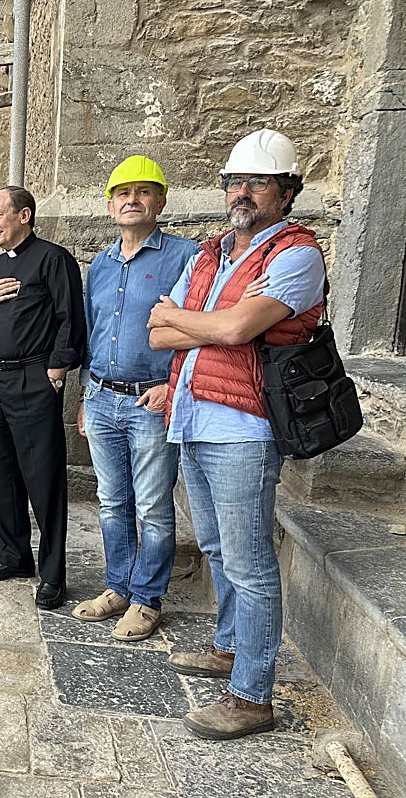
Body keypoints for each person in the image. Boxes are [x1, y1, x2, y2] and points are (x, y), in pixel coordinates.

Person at [148, 129, 326, 740]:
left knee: (251, 566)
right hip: (193, 417)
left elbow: (234, 331)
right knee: (220, 551)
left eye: (256, 182)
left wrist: (200, 322)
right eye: (233, 181)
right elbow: (159, 331)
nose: (240, 192)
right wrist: (210, 323)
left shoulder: (297, 256)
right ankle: (230, 647)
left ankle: (252, 696)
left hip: (245, 430)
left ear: (287, 191)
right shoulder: (211, 253)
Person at [73, 157, 200, 640]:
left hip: (151, 400)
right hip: (103, 396)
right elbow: (94, 332)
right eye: (123, 193)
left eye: (143, 192)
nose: (132, 200)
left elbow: (197, 329)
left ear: (161, 201)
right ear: (110, 206)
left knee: (151, 505)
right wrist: (87, 392)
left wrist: (173, 385)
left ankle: (147, 598)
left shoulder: (186, 258)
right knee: (112, 501)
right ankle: (118, 587)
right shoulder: (101, 265)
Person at [0, 186, 85, 610]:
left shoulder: (54, 259)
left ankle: (53, 575)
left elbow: (70, 317)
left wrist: (56, 372)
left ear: (25, 216)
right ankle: (14, 555)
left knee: (43, 479)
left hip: (33, 380)